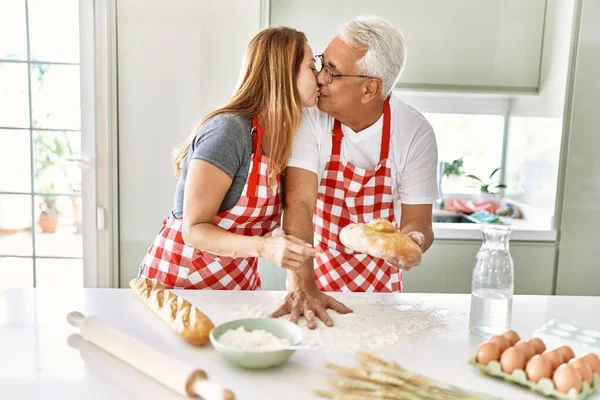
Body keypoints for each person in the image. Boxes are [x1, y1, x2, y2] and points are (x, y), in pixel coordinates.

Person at [271, 16, 439, 328]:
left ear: (369, 89)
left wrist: (413, 241)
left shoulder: (414, 132)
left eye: (332, 73)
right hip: (313, 280)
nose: (320, 78)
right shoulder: (312, 118)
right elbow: (299, 203)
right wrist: (302, 285)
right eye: (322, 64)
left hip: (383, 294)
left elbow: (418, 222)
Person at [139, 26, 321, 290]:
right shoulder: (229, 132)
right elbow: (194, 230)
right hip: (180, 282)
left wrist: (275, 237)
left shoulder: (280, 137)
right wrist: (265, 247)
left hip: (236, 286)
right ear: (284, 74)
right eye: (311, 67)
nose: (320, 77)